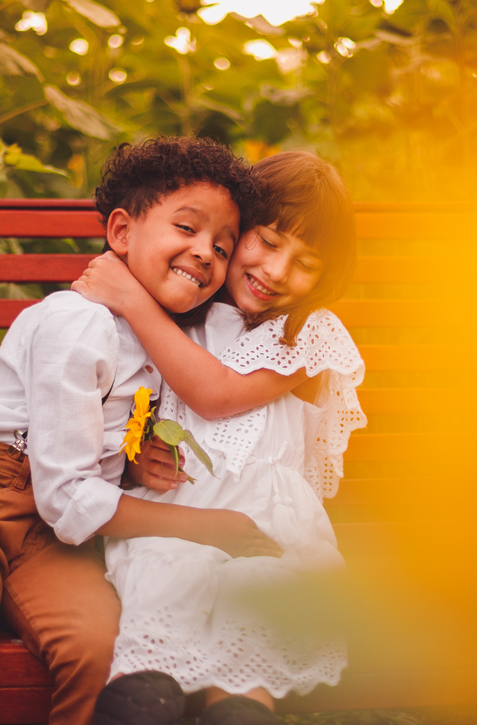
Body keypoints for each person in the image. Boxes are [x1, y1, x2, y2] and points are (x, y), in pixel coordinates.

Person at [0, 137, 282, 725]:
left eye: (222, 247)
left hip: (59, 538)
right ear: (121, 232)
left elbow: (88, 465)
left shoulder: (161, 342)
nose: (205, 252)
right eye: (186, 228)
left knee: (100, 659)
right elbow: (66, 491)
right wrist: (208, 528)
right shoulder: (75, 322)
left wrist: (134, 463)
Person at [72, 151, 366, 725]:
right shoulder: (183, 311)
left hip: (265, 530)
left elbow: (216, 395)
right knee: (151, 655)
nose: (277, 270)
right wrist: (140, 463)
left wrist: (130, 297)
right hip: (172, 523)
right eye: (268, 241)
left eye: (305, 262)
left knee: (244, 654)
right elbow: (141, 415)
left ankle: (239, 707)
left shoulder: (308, 331)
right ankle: (142, 696)